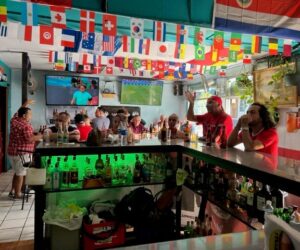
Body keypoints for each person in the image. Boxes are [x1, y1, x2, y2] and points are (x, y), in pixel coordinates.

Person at [7, 99, 43, 199]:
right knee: (20, 173)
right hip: (23, 153)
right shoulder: (26, 125)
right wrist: (41, 135)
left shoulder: (14, 121)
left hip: (12, 152)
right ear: (24, 116)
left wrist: (26, 103)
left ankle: (13, 191)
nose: (31, 116)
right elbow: (30, 139)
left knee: (17, 172)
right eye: (30, 114)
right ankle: (18, 194)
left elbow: (18, 111)